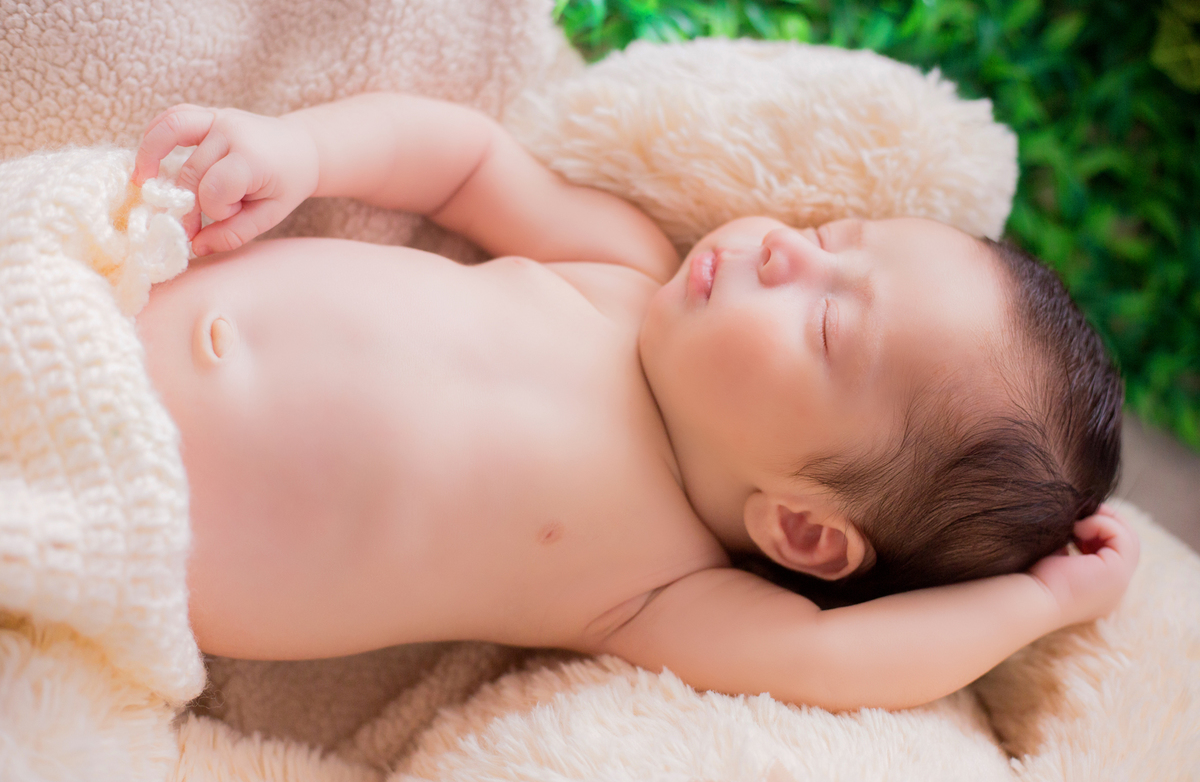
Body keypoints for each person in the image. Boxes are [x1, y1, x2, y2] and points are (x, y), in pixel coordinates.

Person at [132, 93, 1138, 712]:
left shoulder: (661, 589)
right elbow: (465, 158)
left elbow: (845, 660)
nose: (787, 249)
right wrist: (303, 149)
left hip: (119, 525)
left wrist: (1040, 602)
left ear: (803, 528)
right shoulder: (620, 268)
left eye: (829, 325)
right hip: (108, 290)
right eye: (832, 235)